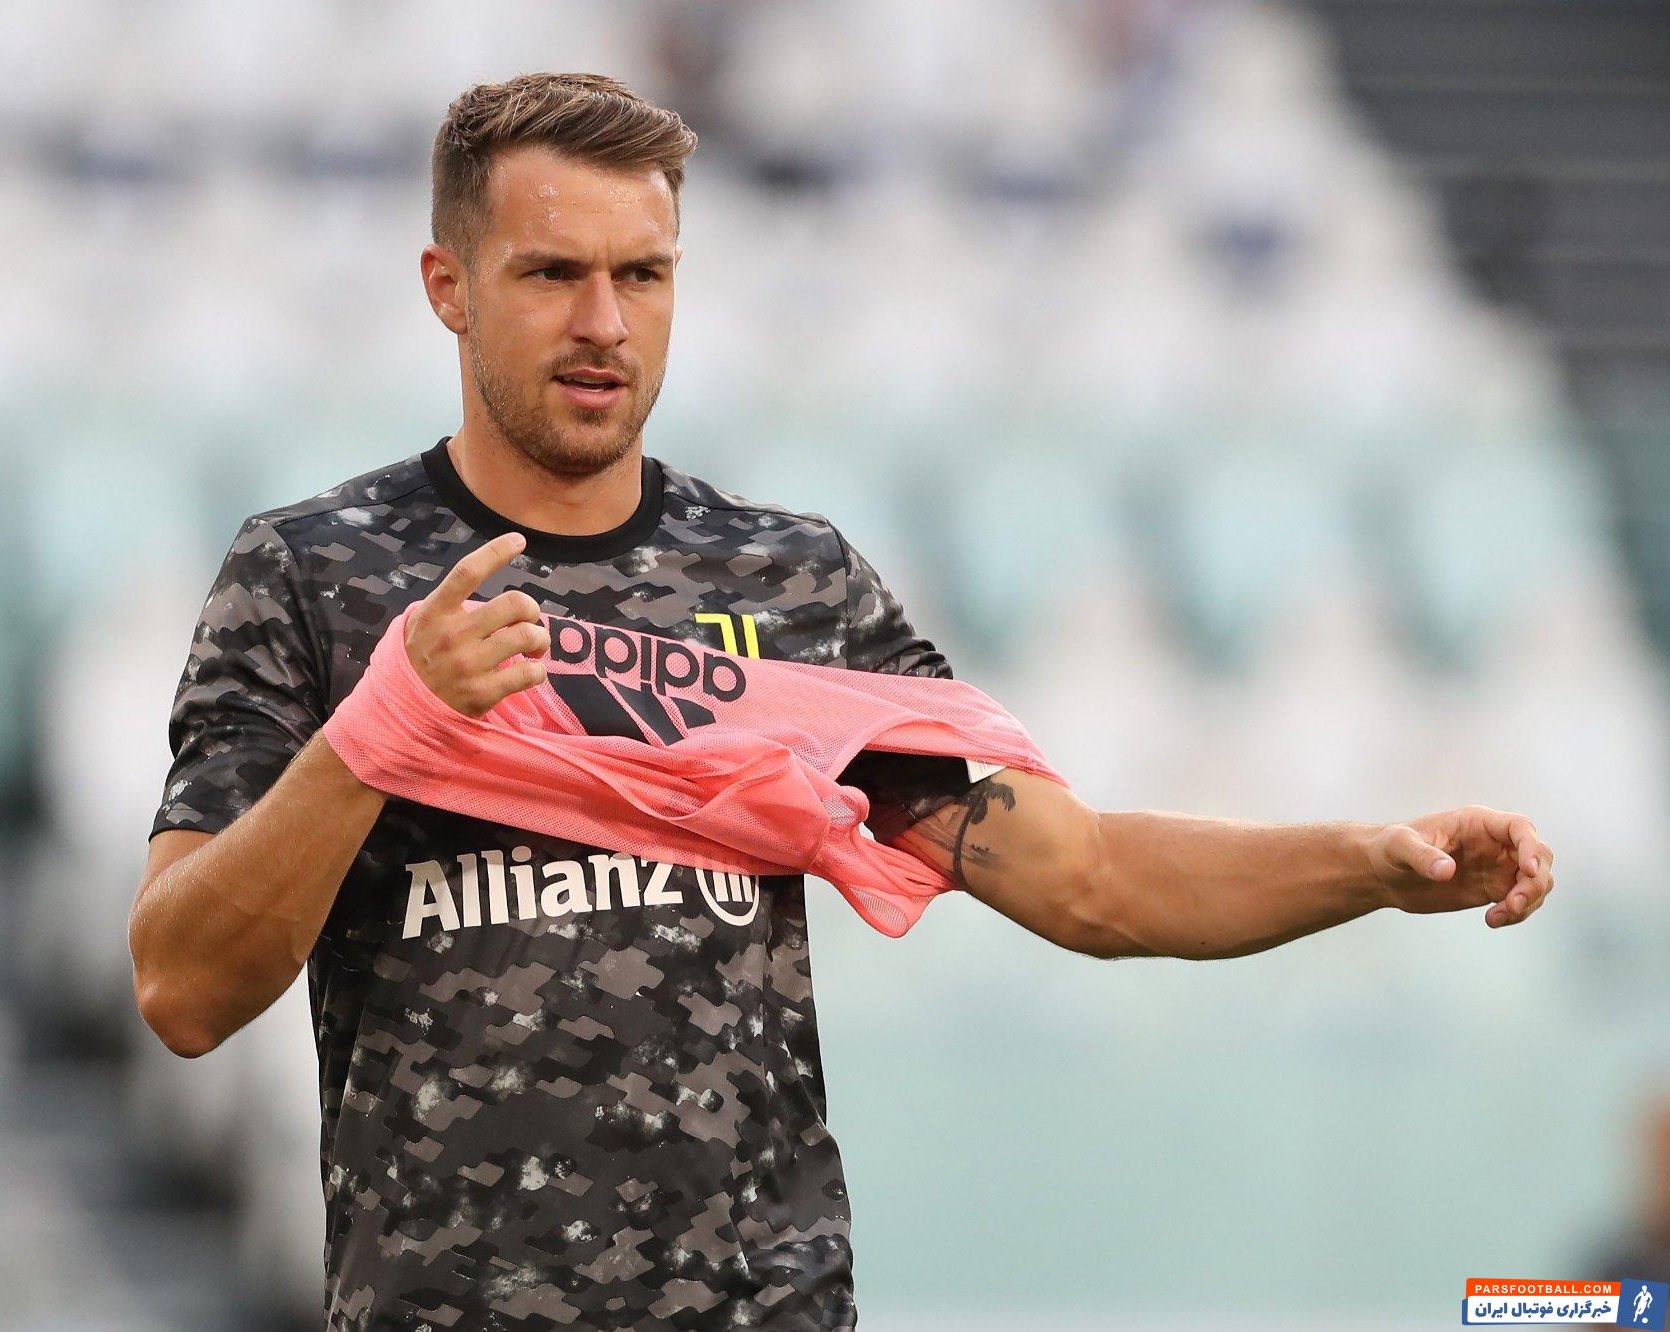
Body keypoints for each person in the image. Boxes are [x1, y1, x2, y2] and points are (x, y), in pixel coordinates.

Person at [127, 72, 1557, 1331]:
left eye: (644, 275)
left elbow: (1087, 878)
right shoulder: (313, 576)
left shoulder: (790, 581)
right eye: (551, 273)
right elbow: (183, 989)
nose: (603, 324)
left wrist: (1367, 868)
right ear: (448, 285)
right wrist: (379, 737)